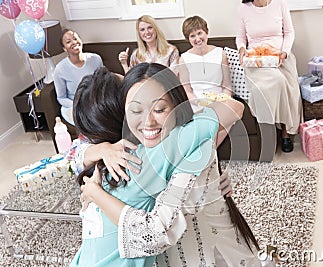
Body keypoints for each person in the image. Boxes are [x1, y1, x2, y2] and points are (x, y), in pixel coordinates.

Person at [76, 63, 271, 266]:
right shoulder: (130, 158)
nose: (148, 121)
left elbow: (233, 108)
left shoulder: (167, 147)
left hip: (208, 248)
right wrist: (99, 155)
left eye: (159, 108)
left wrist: (93, 189)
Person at [236, 0, 303, 154]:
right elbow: (240, 37)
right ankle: (270, 131)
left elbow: (289, 33)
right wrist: (241, 49)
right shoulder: (243, 9)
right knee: (276, 81)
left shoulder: (280, 3)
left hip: (280, 57)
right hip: (256, 61)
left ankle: (285, 132)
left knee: (289, 86)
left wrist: (285, 51)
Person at [179, 15, 233, 113]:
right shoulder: (183, 59)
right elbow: (187, 91)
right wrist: (200, 103)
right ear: (188, 39)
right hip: (196, 105)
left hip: (220, 102)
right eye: (192, 36)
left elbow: (227, 86)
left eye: (200, 33)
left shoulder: (221, 53)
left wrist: (222, 101)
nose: (198, 38)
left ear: (206, 32)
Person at [53, 29, 103, 125]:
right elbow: (61, 98)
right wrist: (78, 105)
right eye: (68, 42)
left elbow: (102, 83)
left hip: (95, 102)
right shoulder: (60, 69)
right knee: (89, 123)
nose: (74, 42)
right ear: (64, 48)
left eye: (75, 38)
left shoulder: (96, 59)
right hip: (74, 106)